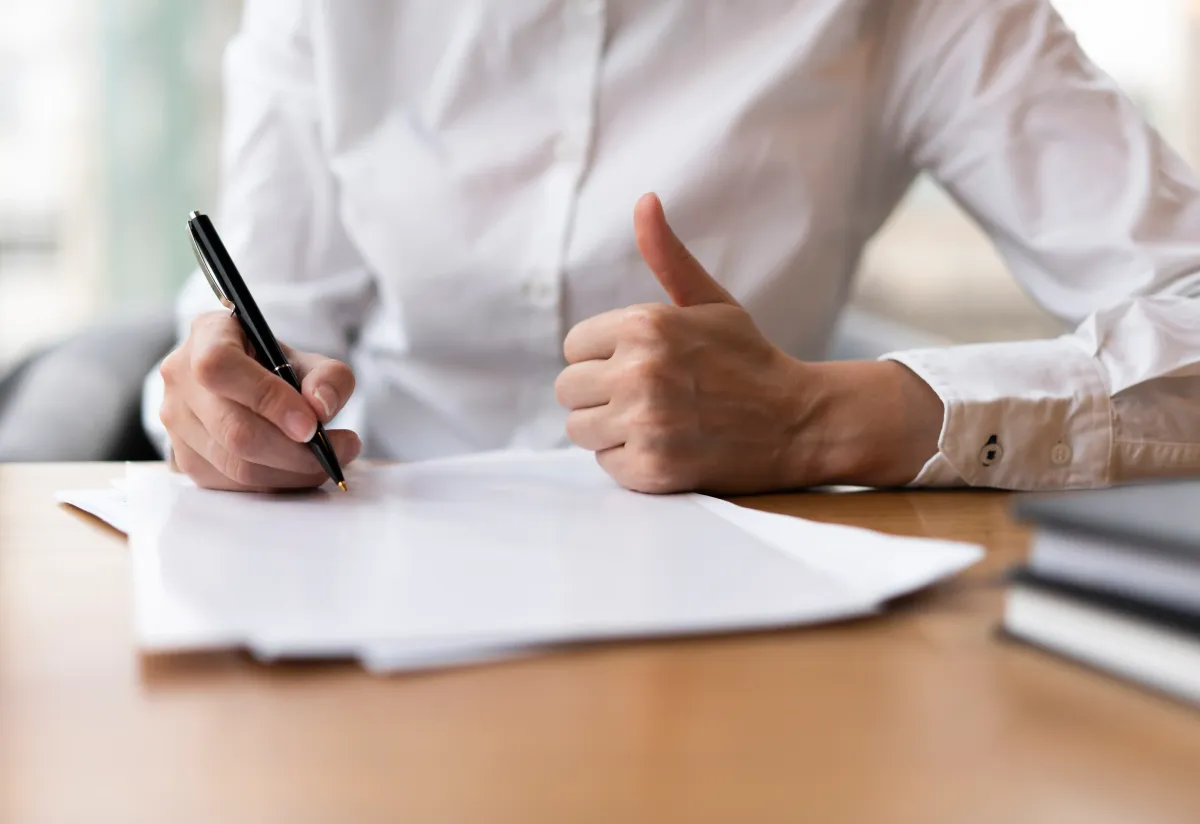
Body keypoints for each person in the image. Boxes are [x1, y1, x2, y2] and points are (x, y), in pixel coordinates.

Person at [147, 0, 1200, 494]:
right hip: (359, 569)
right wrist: (227, 412)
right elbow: (264, 326)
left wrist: (829, 418)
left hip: (740, 615)